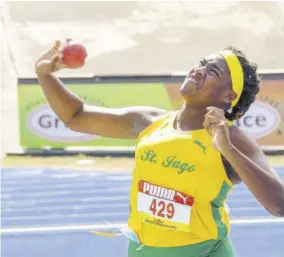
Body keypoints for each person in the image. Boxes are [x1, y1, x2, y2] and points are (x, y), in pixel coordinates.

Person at [35, 40, 284, 257]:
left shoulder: (231, 139)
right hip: (143, 252)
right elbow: (77, 116)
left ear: (229, 96)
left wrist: (226, 148)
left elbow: (279, 204)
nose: (198, 71)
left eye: (213, 72)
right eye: (201, 64)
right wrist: (45, 74)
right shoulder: (149, 121)